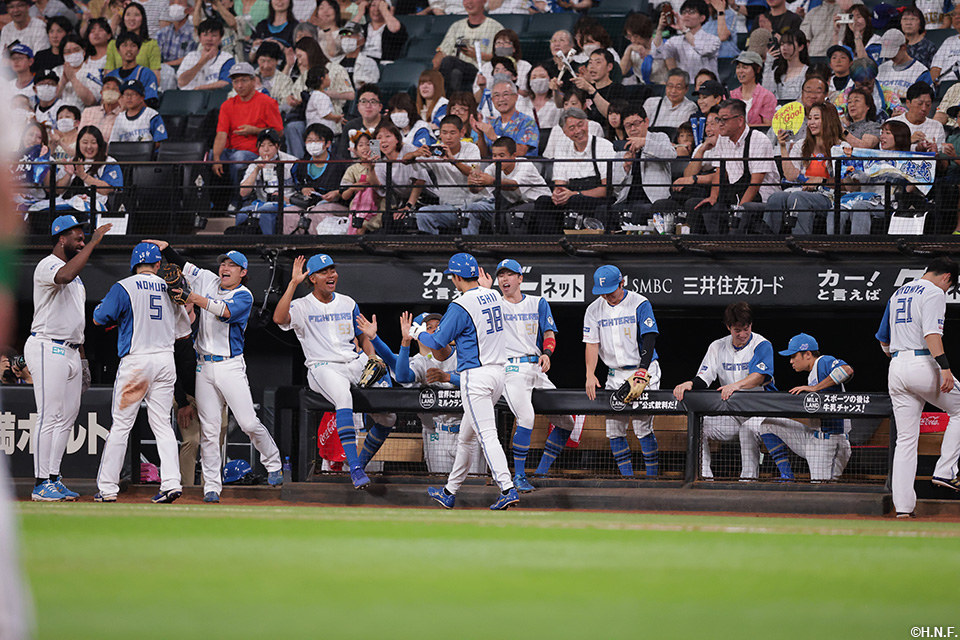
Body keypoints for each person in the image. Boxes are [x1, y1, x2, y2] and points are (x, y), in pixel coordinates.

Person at [148, 241, 285, 502]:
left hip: (229, 365)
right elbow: (183, 266)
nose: (225, 267)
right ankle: (211, 486)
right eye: (224, 263)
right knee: (209, 431)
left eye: (232, 265)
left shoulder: (244, 295)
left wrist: (191, 298)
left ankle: (273, 462)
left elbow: (224, 312)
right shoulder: (209, 280)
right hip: (204, 366)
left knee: (247, 422)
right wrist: (166, 249)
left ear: (243, 272)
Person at [421, 253, 519, 511]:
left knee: (487, 435)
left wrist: (417, 332)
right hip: (498, 374)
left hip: (476, 376)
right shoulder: (494, 295)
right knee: (466, 437)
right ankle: (449, 492)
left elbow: (436, 342)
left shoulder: (461, 304)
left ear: (455, 278)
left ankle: (507, 487)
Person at [23, 215, 110, 501]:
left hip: (72, 349)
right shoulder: (48, 264)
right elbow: (65, 276)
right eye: (77, 236)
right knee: (50, 415)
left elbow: (76, 321)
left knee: (67, 418)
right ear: (61, 238)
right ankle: (39, 483)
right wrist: (95, 242)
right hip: (48, 346)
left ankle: (53, 477)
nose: (82, 239)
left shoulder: (77, 274)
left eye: (85, 236)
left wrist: (83, 360)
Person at [273, 253, 377, 490]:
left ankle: (359, 461)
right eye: (324, 272)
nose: (331, 275)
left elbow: (362, 335)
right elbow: (279, 318)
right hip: (322, 366)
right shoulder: (301, 305)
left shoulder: (348, 302)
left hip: (353, 361)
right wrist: (292, 284)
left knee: (389, 414)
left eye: (332, 270)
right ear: (312, 278)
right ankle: (356, 469)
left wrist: (371, 357)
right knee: (343, 398)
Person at [92, 243, 182, 504]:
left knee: (121, 425)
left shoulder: (124, 286)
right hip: (166, 360)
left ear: (134, 264)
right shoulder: (170, 288)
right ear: (157, 265)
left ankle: (108, 489)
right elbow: (184, 328)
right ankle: (171, 482)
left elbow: (99, 318)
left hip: (137, 361)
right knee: (162, 424)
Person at [672, 302, 795, 481]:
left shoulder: (761, 344)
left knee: (747, 429)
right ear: (729, 327)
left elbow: (760, 376)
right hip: (732, 413)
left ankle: (748, 481)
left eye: (746, 328)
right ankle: (704, 477)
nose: (743, 334)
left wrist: (736, 385)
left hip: (760, 412)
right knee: (700, 426)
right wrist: (689, 383)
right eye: (738, 330)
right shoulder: (717, 346)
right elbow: (704, 377)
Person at [876, 257, 960, 516]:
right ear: (946, 276)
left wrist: (898, 357)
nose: (948, 290)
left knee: (906, 440)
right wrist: (944, 367)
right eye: (951, 285)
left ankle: (903, 508)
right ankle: (946, 471)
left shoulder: (898, 292)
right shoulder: (934, 292)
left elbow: (882, 339)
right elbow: (932, 334)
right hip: (924, 362)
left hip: (897, 366)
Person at [493, 259, 575, 489]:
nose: (504, 279)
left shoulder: (538, 302)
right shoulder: (494, 304)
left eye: (509, 274)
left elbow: (549, 333)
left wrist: (547, 353)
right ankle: (519, 476)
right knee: (526, 417)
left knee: (568, 422)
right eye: (501, 275)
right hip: (510, 369)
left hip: (536, 368)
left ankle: (540, 472)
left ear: (520, 278)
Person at [582, 265, 660, 478]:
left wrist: (643, 370)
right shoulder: (594, 309)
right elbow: (591, 344)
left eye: (611, 290)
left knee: (642, 427)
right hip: (615, 373)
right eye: (603, 291)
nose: (607, 295)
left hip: (642, 368)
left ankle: (652, 480)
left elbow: (650, 337)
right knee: (614, 430)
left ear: (622, 283)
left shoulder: (639, 302)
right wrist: (590, 373)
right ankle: (628, 479)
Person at [689, 99, 780, 235]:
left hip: (760, 197)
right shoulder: (723, 139)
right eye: (718, 119)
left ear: (740, 120)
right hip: (734, 193)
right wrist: (713, 197)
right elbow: (720, 172)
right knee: (698, 205)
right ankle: (710, 246)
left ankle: (731, 246)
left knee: (742, 215)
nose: (720, 124)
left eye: (724, 120)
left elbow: (755, 183)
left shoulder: (759, 140)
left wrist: (739, 210)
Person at [779, 333, 855, 481]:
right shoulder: (812, 373)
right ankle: (785, 473)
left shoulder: (823, 361)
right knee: (767, 424)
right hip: (820, 438)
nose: (791, 361)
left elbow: (847, 370)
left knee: (821, 492)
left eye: (794, 356)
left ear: (807, 354)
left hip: (830, 441)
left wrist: (815, 388)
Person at [534, 108, 618, 233]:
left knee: (575, 200)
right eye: (572, 128)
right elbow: (560, 186)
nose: (578, 131)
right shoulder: (562, 148)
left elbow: (607, 190)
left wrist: (575, 194)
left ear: (587, 123)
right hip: (571, 196)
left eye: (580, 124)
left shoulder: (603, 146)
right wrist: (558, 195)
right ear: (565, 132)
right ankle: (553, 244)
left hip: (597, 198)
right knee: (543, 202)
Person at [764, 101, 842, 234]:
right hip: (801, 190)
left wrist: (821, 181)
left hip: (828, 196)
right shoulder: (801, 145)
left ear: (829, 120)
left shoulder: (841, 147)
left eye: (816, 118)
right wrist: (783, 147)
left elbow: (846, 184)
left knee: (798, 198)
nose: (811, 123)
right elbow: (790, 176)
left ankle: (801, 241)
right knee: (776, 197)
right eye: (810, 118)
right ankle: (769, 240)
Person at [212, 62, 284, 190]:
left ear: (253, 81)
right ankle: (214, 203)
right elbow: (221, 134)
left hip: (254, 152)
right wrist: (216, 158)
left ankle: (238, 200)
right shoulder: (227, 105)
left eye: (244, 81)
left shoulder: (267, 102)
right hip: (231, 150)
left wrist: (255, 130)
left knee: (239, 158)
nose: (239, 86)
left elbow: (278, 132)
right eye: (235, 82)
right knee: (211, 156)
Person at [463, 136, 550, 235]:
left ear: (513, 156)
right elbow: (477, 189)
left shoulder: (525, 165)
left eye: (501, 155)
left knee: (513, 214)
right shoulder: (492, 168)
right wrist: (472, 184)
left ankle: (519, 247)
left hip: (540, 205)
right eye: (494, 155)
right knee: (481, 210)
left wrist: (491, 181)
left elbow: (513, 185)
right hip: (514, 205)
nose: (497, 159)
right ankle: (477, 245)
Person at [414, 115, 482, 235]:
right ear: (440, 133)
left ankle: (469, 251)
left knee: (470, 211)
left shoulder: (472, 148)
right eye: (444, 133)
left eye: (452, 133)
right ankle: (431, 249)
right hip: (448, 208)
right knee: (423, 213)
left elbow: (474, 173)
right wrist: (415, 153)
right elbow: (406, 161)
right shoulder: (434, 151)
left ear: (462, 132)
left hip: (472, 205)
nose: (448, 137)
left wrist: (453, 161)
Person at [283, 123, 349, 234]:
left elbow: (349, 188)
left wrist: (337, 193)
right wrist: (304, 188)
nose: (313, 144)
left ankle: (319, 245)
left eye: (318, 140)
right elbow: (297, 184)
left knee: (317, 211)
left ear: (328, 143)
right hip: (306, 204)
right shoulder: (300, 165)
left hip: (337, 205)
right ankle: (291, 245)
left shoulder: (340, 164)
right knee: (288, 211)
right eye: (309, 140)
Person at [613, 105, 677, 219]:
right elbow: (615, 188)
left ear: (646, 122)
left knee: (638, 210)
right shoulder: (623, 148)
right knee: (603, 210)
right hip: (627, 200)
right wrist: (625, 167)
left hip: (653, 200)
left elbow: (671, 155)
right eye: (628, 126)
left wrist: (645, 143)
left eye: (636, 124)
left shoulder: (659, 138)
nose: (632, 129)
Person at [431, 0, 503, 94]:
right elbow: (443, 50)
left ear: (484, 1)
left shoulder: (495, 27)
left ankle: (445, 100)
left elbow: (503, 57)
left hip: (480, 70)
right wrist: (433, 69)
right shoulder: (456, 26)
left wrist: (478, 55)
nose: (469, 3)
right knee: (455, 73)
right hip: (457, 68)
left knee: (449, 61)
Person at [366, 122, 427, 231]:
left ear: (397, 139)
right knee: (387, 218)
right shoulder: (380, 161)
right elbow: (378, 186)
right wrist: (371, 169)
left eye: (388, 136)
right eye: (379, 138)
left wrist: (408, 207)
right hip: (404, 202)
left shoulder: (408, 149)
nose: (383, 140)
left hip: (425, 198)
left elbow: (420, 181)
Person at [234, 128, 297, 234]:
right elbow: (243, 193)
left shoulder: (292, 162)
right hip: (262, 203)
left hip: (287, 204)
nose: (266, 149)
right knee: (242, 213)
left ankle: (269, 245)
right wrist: (257, 170)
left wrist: (288, 199)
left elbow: (303, 189)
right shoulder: (255, 164)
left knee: (267, 210)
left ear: (278, 146)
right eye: (262, 146)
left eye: (270, 145)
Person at [651, 0, 720, 80]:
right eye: (684, 12)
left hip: (709, 88)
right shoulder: (675, 41)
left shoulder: (713, 39)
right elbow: (657, 54)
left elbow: (703, 51)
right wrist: (659, 29)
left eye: (691, 12)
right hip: (685, 88)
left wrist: (684, 30)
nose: (686, 15)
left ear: (702, 18)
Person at [472, 79, 538, 157]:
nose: (501, 99)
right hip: (494, 168)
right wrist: (480, 135)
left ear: (516, 97)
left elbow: (521, 152)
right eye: (496, 95)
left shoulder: (527, 122)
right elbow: (483, 155)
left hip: (521, 167)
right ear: (492, 100)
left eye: (505, 94)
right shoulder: (492, 124)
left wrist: (495, 137)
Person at [876, 29, 932, 108]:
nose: (891, 57)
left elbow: (925, 103)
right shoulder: (881, 69)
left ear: (903, 47)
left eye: (893, 53)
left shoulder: (921, 72)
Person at [103, 32, 161, 106]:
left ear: (138, 50)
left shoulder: (146, 73)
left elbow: (150, 101)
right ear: (118, 50)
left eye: (133, 46)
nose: (129, 49)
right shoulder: (111, 76)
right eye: (124, 45)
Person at [105, 3, 162, 76]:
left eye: (136, 15)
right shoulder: (113, 44)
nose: (132, 18)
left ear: (142, 18)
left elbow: (155, 76)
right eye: (128, 14)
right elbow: (109, 74)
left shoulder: (151, 44)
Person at [177, 18, 234, 90]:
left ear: (220, 39)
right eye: (205, 35)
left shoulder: (226, 58)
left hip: (214, 97)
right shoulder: (191, 56)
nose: (209, 39)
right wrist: (202, 61)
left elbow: (225, 83)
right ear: (200, 38)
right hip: (188, 97)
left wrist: (200, 88)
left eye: (214, 35)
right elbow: (181, 82)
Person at [889, 81, 946, 152]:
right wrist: (908, 141)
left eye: (928, 104)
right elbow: (884, 151)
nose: (924, 109)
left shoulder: (937, 126)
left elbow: (941, 159)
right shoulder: (892, 124)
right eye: (920, 104)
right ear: (908, 103)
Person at [109, 78, 169, 144]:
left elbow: (159, 141)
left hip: (147, 153)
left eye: (133, 94)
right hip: (125, 153)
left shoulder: (151, 115)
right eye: (126, 94)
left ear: (142, 98)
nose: (129, 98)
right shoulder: (120, 118)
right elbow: (113, 143)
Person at [572, 49, 625, 121]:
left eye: (598, 62)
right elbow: (565, 105)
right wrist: (556, 90)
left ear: (609, 67)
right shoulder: (585, 88)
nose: (592, 66)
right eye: (590, 62)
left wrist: (591, 90)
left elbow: (613, 116)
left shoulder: (618, 89)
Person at [55, 34, 104, 109]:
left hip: (83, 117)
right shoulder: (56, 71)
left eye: (76, 50)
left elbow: (91, 101)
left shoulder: (93, 71)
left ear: (83, 51)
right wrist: (62, 83)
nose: (72, 54)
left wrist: (73, 79)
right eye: (67, 51)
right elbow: (48, 100)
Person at [335, 82, 382, 159]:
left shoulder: (388, 125)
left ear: (380, 107)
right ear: (358, 106)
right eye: (363, 101)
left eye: (373, 102)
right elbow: (343, 157)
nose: (368, 106)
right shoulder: (350, 127)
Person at [729, 51, 776, 126]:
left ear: (757, 69)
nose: (740, 71)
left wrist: (746, 127)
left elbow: (768, 126)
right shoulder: (731, 95)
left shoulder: (766, 96)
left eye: (745, 67)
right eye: (738, 67)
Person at [333, 21, 379, 92]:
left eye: (350, 34)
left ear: (362, 40)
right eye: (344, 34)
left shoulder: (369, 63)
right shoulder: (334, 62)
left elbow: (370, 87)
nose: (346, 38)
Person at [156, 0, 198, 70]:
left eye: (180, 3)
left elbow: (191, 58)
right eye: (172, 3)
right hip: (163, 71)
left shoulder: (193, 33)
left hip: (185, 70)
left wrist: (166, 65)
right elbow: (155, 54)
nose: (175, 6)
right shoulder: (163, 32)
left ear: (189, 9)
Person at [79, 75, 124, 142]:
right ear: (101, 93)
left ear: (120, 95)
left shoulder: (123, 116)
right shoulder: (88, 112)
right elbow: (80, 136)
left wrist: (122, 110)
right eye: (107, 87)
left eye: (115, 89)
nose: (110, 91)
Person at [769, 29, 809, 101]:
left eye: (789, 44)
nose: (784, 48)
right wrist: (768, 64)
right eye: (782, 44)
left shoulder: (807, 72)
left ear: (801, 47)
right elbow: (767, 94)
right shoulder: (777, 71)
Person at [900, 6, 937, 70]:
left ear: (920, 24)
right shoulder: (896, 45)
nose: (908, 23)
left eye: (913, 19)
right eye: (905, 19)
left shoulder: (929, 47)